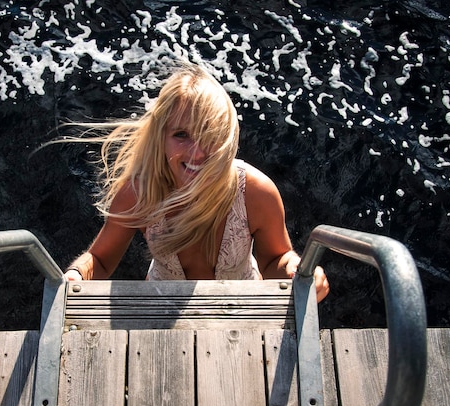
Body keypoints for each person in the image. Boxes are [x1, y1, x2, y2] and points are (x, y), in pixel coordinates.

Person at [62, 63, 329, 302]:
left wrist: (298, 270)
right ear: (161, 137)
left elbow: (274, 259)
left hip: (243, 306)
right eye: (181, 135)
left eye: (209, 135)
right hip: (162, 304)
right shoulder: (139, 193)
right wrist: (76, 274)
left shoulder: (255, 192)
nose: (197, 153)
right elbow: (100, 259)